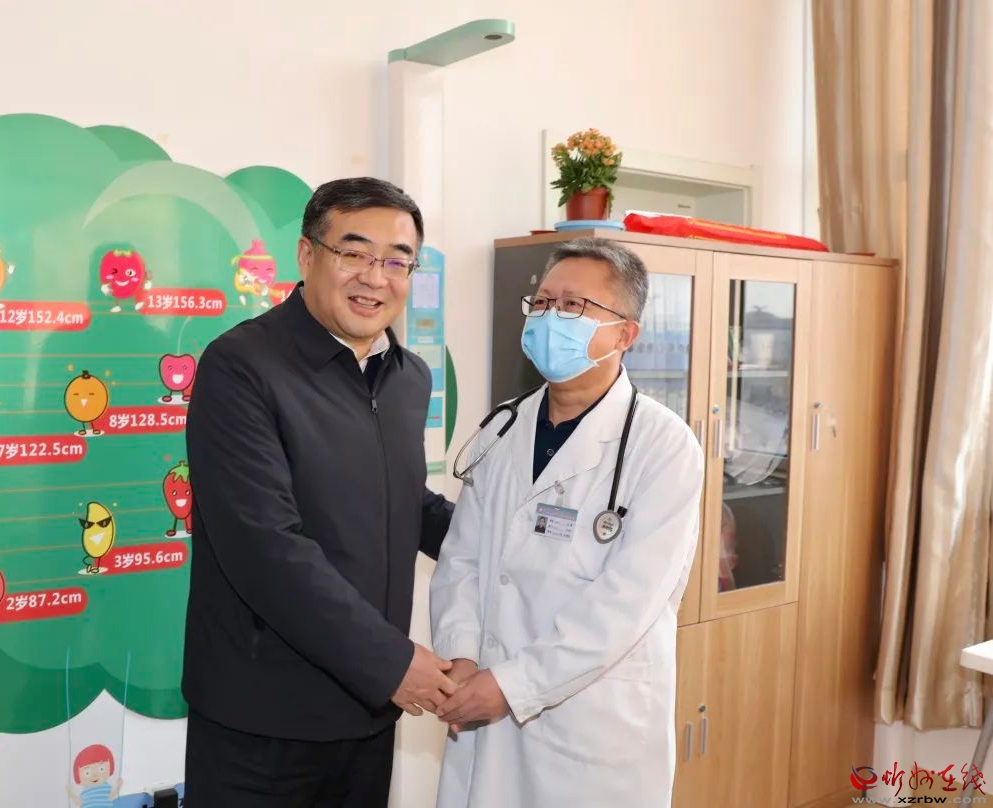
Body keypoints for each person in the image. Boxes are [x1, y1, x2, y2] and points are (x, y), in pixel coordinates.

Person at [182, 177, 457, 807]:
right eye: (353, 253)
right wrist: (392, 663)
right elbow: (264, 546)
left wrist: (516, 546)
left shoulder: (407, 376)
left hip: (366, 713)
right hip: (264, 716)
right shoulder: (241, 366)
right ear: (307, 256)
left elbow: (406, 503)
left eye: (397, 261)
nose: (375, 278)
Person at [429, 237, 704, 807]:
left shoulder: (662, 446)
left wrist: (513, 685)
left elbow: (626, 603)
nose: (550, 317)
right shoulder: (503, 428)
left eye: (574, 305)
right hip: (483, 703)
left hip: (588, 727)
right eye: (543, 302)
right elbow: (462, 558)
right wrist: (461, 655)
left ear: (625, 334)